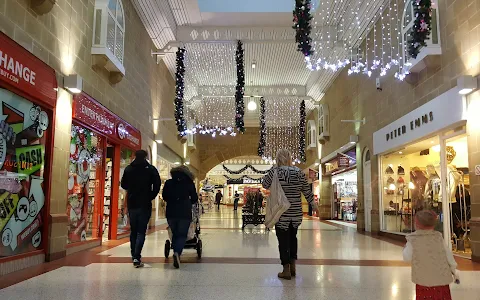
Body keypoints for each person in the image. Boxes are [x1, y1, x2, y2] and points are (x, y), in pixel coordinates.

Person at [262, 149, 316, 280]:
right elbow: (306, 190)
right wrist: (313, 205)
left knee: (283, 240)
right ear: (289, 158)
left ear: (278, 158)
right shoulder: (298, 172)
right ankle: (293, 266)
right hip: (296, 213)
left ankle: (285, 268)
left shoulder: (274, 171)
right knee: (293, 238)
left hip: (281, 212)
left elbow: (265, 184)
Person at [403, 210, 460, 299]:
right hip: (441, 278)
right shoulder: (438, 237)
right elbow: (448, 254)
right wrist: (454, 269)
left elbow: (406, 257)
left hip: (423, 279)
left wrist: (406, 246)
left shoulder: (413, 239)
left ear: (417, 224)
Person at [121, 150, 161, 268]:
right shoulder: (150, 169)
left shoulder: (129, 169)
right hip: (145, 203)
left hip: (132, 203)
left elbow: (124, 185)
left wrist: (132, 188)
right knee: (141, 231)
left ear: (134, 156)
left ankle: (134, 255)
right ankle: (137, 257)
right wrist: (151, 195)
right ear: (146, 157)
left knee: (133, 230)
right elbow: (157, 184)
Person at [162, 165, 198, 269]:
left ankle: (176, 250)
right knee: (182, 234)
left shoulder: (169, 183)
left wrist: (172, 200)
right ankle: (177, 252)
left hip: (171, 212)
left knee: (175, 233)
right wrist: (187, 202)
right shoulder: (189, 183)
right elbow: (194, 198)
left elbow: (164, 196)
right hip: (184, 212)